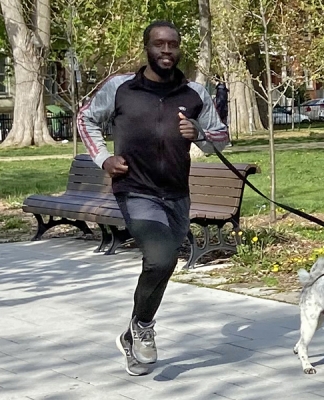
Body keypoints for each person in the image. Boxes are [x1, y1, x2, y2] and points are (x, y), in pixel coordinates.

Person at [77, 20, 229, 376]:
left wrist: (200, 133)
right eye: (159, 44)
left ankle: (132, 333)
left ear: (179, 49)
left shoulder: (194, 93)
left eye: (172, 44)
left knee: (165, 262)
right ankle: (143, 328)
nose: (166, 50)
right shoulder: (120, 88)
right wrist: (104, 159)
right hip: (135, 188)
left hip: (177, 193)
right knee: (160, 258)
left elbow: (221, 136)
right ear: (146, 47)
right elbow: (86, 120)